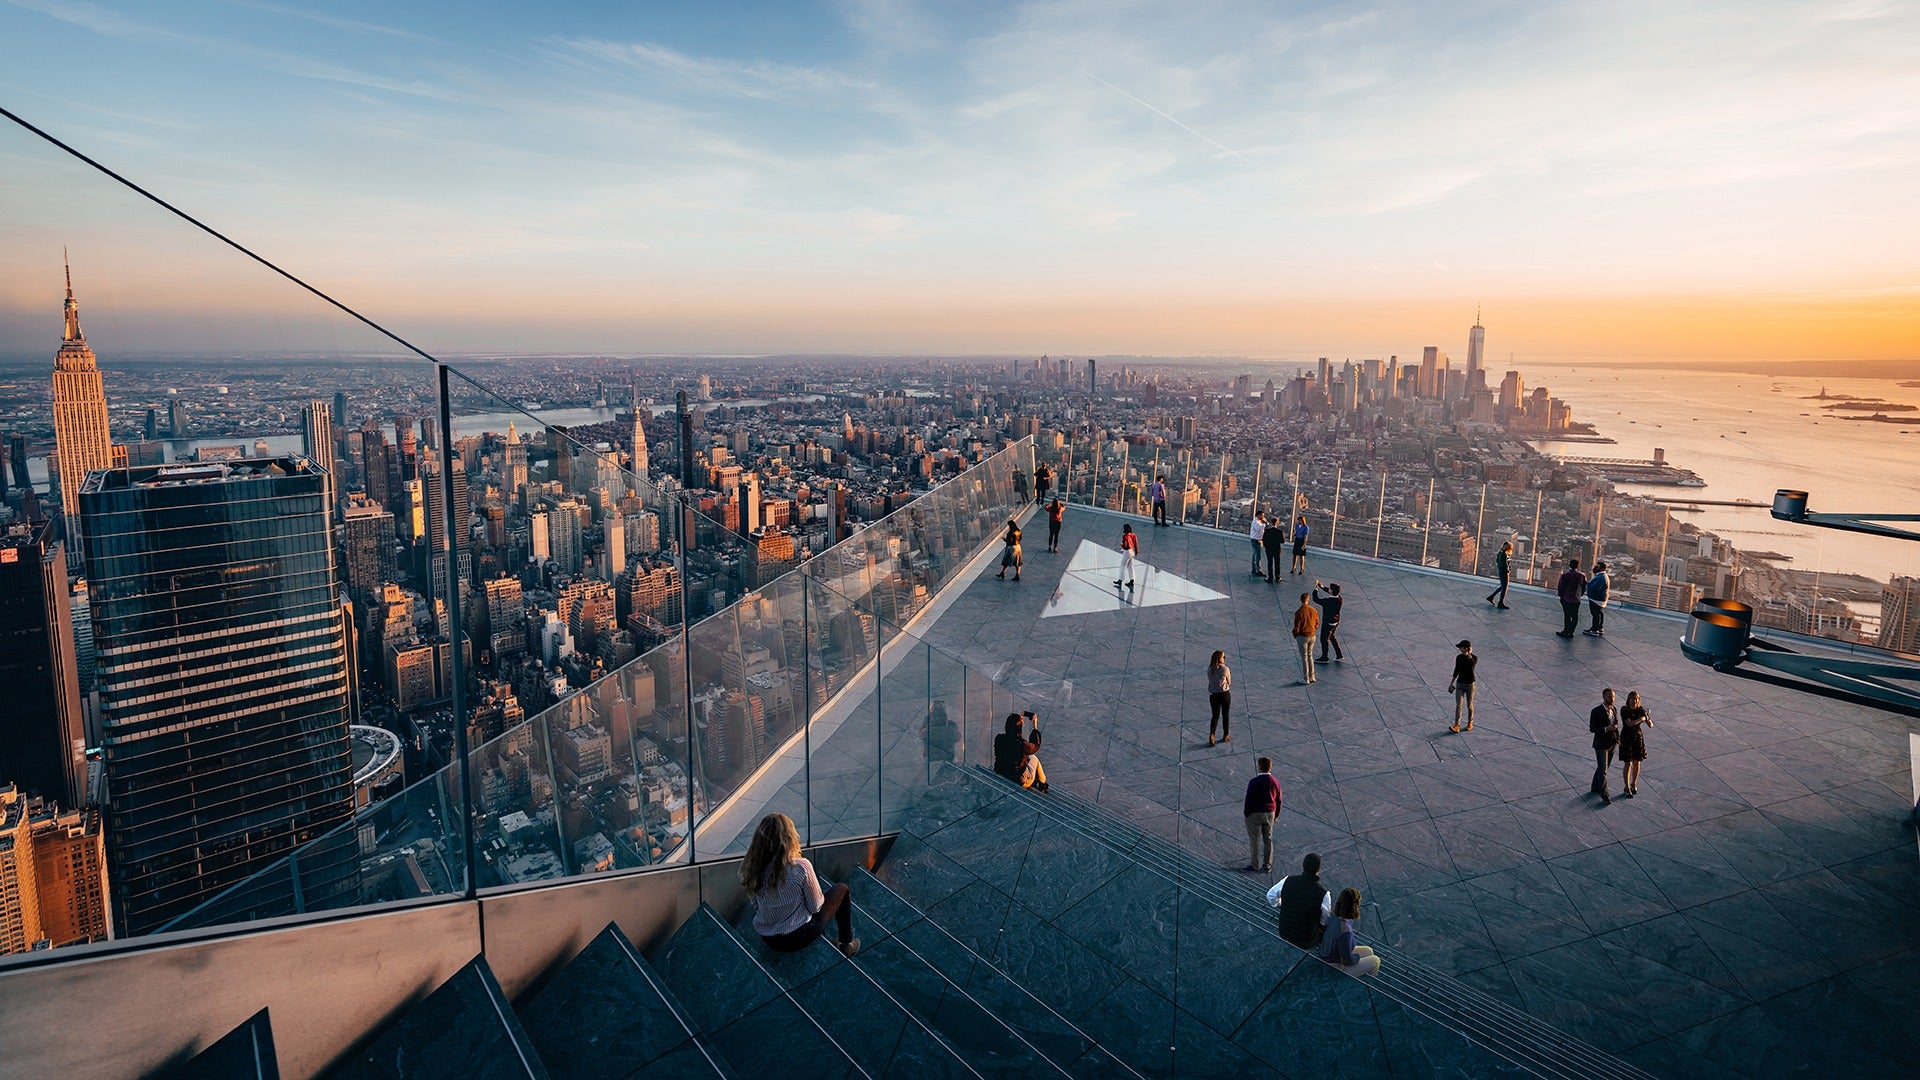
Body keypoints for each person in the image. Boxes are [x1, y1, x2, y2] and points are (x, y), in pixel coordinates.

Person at [741, 813, 859, 957]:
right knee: (842, 889)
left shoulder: (754, 869)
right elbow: (815, 907)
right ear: (790, 837)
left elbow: (756, 906)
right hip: (800, 937)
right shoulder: (800, 867)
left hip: (769, 938)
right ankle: (847, 943)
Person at [1266, 852, 1330, 949]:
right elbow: (1324, 919)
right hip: (1306, 939)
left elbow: (1270, 895)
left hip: (1284, 931)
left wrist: (1280, 904)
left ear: (1303, 866)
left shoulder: (1288, 880)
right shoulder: (1324, 894)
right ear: (1318, 869)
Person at [1320, 888, 1379, 976]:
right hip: (1335, 966)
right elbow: (1347, 961)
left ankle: (1363, 971)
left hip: (1326, 956)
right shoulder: (1345, 929)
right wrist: (1357, 958)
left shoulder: (1333, 917)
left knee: (1368, 951)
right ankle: (1370, 980)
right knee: (1375, 960)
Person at [1242, 758, 1281, 872]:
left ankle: (1255, 865)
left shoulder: (1254, 782)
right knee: (1268, 839)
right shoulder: (1275, 782)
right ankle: (1267, 864)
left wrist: (1247, 813)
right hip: (1270, 813)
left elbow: (1249, 799)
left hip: (1255, 814)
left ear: (1259, 767)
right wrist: (1276, 815)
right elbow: (1278, 800)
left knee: (1255, 840)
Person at [992, 712, 1046, 791]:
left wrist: (1017, 720)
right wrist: (1035, 726)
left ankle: (1041, 782)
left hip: (1001, 772)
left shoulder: (999, 739)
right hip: (1019, 779)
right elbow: (1035, 746)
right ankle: (1043, 783)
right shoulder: (1022, 744)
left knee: (1028, 758)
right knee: (1034, 758)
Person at [1589, 688, 1620, 805]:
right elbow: (1592, 729)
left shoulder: (1614, 709)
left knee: (1603, 768)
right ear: (1604, 697)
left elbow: (1616, 725)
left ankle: (1595, 786)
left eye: (1613, 696)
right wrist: (1606, 729)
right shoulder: (1596, 711)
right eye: (1609, 697)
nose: (1612, 699)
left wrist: (1618, 738)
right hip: (1601, 745)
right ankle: (1605, 795)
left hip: (1612, 743)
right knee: (1603, 770)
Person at [1618, 690, 1652, 797]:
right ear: (1629, 700)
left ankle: (1634, 784)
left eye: (1636, 699)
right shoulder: (1625, 710)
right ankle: (1626, 786)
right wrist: (1641, 718)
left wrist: (1646, 718)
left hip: (1637, 738)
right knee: (1628, 763)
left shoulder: (1641, 710)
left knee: (1637, 762)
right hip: (1627, 738)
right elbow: (1629, 723)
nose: (1635, 701)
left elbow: (1651, 725)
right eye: (1632, 699)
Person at [1447, 639, 1477, 732]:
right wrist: (1451, 682)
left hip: (1470, 685)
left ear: (1466, 648)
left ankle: (1470, 723)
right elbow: (1456, 670)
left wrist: (1469, 655)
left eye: (1461, 647)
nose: (1459, 649)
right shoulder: (1459, 657)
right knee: (1459, 705)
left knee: (1469, 705)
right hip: (1460, 684)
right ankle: (1457, 725)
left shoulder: (1474, 658)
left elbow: (1471, 666)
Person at [1313, 581, 1345, 663]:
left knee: (1324, 639)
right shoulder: (1339, 598)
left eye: (1330, 589)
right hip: (1336, 621)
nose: (1329, 589)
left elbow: (1315, 599)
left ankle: (1325, 657)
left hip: (1328, 622)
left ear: (1332, 591)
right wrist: (1322, 587)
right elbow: (1330, 591)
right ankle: (1339, 654)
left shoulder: (1328, 601)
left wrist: (1316, 589)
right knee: (1332, 636)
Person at [1292, 593, 1321, 684]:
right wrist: (1313, 630)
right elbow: (1317, 623)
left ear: (1301, 600)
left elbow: (1297, 627)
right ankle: (1312, 676)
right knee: (1310, 656)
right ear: (1308, 600)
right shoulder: (1314, 610)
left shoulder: (1299, 612)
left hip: (1302, 637)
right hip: (1312, 636)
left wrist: (1295, 635)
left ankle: (1306, 678)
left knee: (1304, 657)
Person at [1555, 559, 1588, 637]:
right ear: (1578, 566)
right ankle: (1571, 632)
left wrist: (1561, 596)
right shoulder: (1582, 576)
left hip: (1566, 598)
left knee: (1567, 615)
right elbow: (1584, 587)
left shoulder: (1564, 576)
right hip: (1576, 599)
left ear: (1570, 565)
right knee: (1575, 616)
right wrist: (1580, 595)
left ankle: (1566, 631)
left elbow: (1560, 587)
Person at [1208, 650, 1232, 746]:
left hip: (1213, 695)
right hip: (1224, 694)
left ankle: (1212, 734)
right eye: (1223, 657)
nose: (1224, 658)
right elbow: (1229, 681)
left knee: (1215, 716)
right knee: (1225, 715)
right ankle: (1225, 735)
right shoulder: (1225, 669)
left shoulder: (1210, 669)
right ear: (1220, 659)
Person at [927, 700, 958, 765]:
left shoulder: (951, 725)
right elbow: (957, 737)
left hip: (938, 755)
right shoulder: (952, 725)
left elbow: (922, 734)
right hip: (943, 755)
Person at [1584, 562, 1610, 636]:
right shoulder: (1603, 576)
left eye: (1597, 567)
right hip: (1600, 599)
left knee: (1595, 614)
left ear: (1602, 568)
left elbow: (1595, 588)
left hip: (1596, 599)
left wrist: (1587, 583)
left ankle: (1594, 629)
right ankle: (1599, 628)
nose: (1595, 568)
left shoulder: (1600, 577)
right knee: (1599, 613)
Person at [1262, 513, 1287, 583]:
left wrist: (1266, 547)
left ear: (1271, 523)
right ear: (1277, 523)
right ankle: (1277, 577)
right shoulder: (1279, 532)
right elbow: (1282, 541)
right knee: (1277, 564)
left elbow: (1264, 540)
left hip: (1269, 550)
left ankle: (1270, 577)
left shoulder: (1267, 531)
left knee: (1270, 564)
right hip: (1277, 550)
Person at [1488, 541, 1512, 609]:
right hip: (1504, 572)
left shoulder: (1499, 553)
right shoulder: (1504, 554)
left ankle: (1491, 597)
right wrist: (1507, 570)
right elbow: (1505, 564)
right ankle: (1500, 602)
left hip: (1500, 571)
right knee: (1505, 588)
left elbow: (1497, 561)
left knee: (1502, 586)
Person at [1115, 523, 1138, 589]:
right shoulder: (1134, 535)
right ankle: (1132, 580)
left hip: (1127, 552)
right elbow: (1136, 544)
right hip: (1132, 551)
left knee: (1123, 566)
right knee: (1130, 566)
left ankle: (1120, 580)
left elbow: (1125, 546)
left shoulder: (1125, 537)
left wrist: (1122, 545)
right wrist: (1136, 552)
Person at [1248, 511, 1268, 576]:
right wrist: (1264, 524)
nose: (1263, 517)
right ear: (1258, 515)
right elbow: (1259, 528)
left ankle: (1254, 569)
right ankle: (1258, 570)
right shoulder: (1255, 522)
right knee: (1258, 556)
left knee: (1255, 555)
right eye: (1262, 515)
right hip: (1255, 540)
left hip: (1258, 539)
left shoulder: (1259, 521)